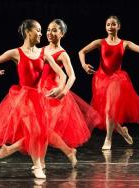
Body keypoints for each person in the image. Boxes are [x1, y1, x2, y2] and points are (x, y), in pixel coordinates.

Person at [0, 19, 66, 178]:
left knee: (41, 132)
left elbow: (62, 74)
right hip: (22, 98)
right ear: (27, 32)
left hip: (39, 97)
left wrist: (59, 87)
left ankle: (10, 150)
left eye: (40, 30)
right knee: (34, 130)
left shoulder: (44, 54)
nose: (40, 33)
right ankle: (37, 166)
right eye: (37, 30)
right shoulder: (16, 53)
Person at [78, 15, 139, 150]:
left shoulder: (124, 44)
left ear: (118, 26)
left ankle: (108, 139)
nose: (110, 27)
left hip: (117, 79)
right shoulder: (100, 42)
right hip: (100, 79)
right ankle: (123, 131)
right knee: (105, 113)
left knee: (109, 110)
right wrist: (84, 65)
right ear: (105, 27)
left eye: (113, 24)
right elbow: (81, 52)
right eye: (108, 24)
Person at [39, 18, 101, 168]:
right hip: (39, 90)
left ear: (62, 33)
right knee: (40, 128)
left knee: (43, 127)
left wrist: (63, 91)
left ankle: (41, 161)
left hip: (53, 92)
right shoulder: (41, 50)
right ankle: (67, 152)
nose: (50, 33)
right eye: (48, 30)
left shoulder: (62, 54)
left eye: (54, 30)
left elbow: (72, 75)